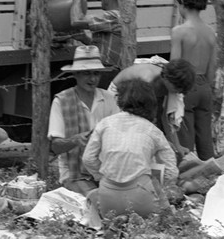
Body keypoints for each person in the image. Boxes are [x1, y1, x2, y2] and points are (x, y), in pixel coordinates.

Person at [82, 79, 179, 218]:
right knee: (160, 213)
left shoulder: (104, 124)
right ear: (150, 103)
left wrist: (102, 176)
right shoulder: (153, 131)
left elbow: (88, 159)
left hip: (108, 200)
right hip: (142, 199)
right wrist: (160, 189)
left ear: (120, 100)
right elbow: (171, 172)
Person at [48, 45, 119, 197]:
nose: (92, 79)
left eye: (96, 73)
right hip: (75, 173)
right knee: (98, 199)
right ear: (76, 74)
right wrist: (74, 140)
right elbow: (55, 146)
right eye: (87, 73)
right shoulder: (62, 101)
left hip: (106, 171)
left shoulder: (110, 99)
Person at [108, 58, 196, 160]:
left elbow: (166, 117)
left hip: (138, 97)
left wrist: (177, 145)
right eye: (177, 87)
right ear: (166, 78)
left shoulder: (170, 87)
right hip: (121, 94)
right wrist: (161, 142)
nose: (178, 91)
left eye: (180, 89)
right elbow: (139, 117)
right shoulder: (147, 79)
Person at [171, 0, 216, 160]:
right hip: (205, 87)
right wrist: (205, 86)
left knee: (185, 140)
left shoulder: (179, 32)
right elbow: (212, 69)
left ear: (182, 2)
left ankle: (186, 177)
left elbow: (175, 66)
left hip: (186, 88)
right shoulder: (211, 33)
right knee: (205, 139)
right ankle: (212, 176)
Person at [71, 0, 135, 88]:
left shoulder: (115, 16)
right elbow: (107, 49)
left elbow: (76, 21)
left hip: (108, 73)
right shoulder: (117, 17)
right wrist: (86, 39)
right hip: (108, 72)